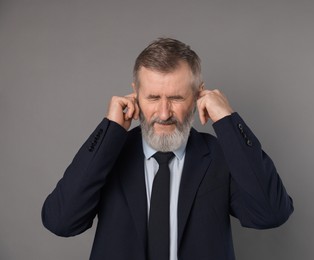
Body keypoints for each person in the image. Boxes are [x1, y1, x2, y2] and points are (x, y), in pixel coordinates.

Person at [42, 37, 294, 260]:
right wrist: (109, 129)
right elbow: (61, 222)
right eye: (153, 98)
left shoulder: (221, 155)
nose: (163, 114)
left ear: (198, 95)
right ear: (135, 95)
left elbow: (271, 213)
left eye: (176, 98)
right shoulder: (110, 154)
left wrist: (227, 120)